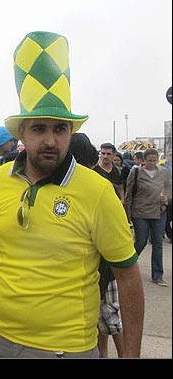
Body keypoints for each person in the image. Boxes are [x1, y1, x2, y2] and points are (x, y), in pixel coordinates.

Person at [0, 31, 144, 358]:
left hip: (65, 348)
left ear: (70, 132)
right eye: (39, 128)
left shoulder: (98, 192)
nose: (51, 140)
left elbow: (128, 277)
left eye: (60, 128)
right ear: (22, 132)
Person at [70, 136, 125, 358]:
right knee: (103, 316)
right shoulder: (95, 184)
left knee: (108, 315)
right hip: (99, 266)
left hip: (102, 265)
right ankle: (104, 354)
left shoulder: (98, 187)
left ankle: (122, 354)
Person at [125, 148, 172, 287]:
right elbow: (129, 193)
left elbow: (168, 186)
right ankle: (127, 267)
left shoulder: (163, 172)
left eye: (154, 160)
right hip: (140, 212)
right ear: (144, 160)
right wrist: (128, 213)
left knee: (158, 243)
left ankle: (157, 274)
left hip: (158, 211)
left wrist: (166, 198)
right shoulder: (136, 171)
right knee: (141, 242)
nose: (152, 163)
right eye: (149, 161)